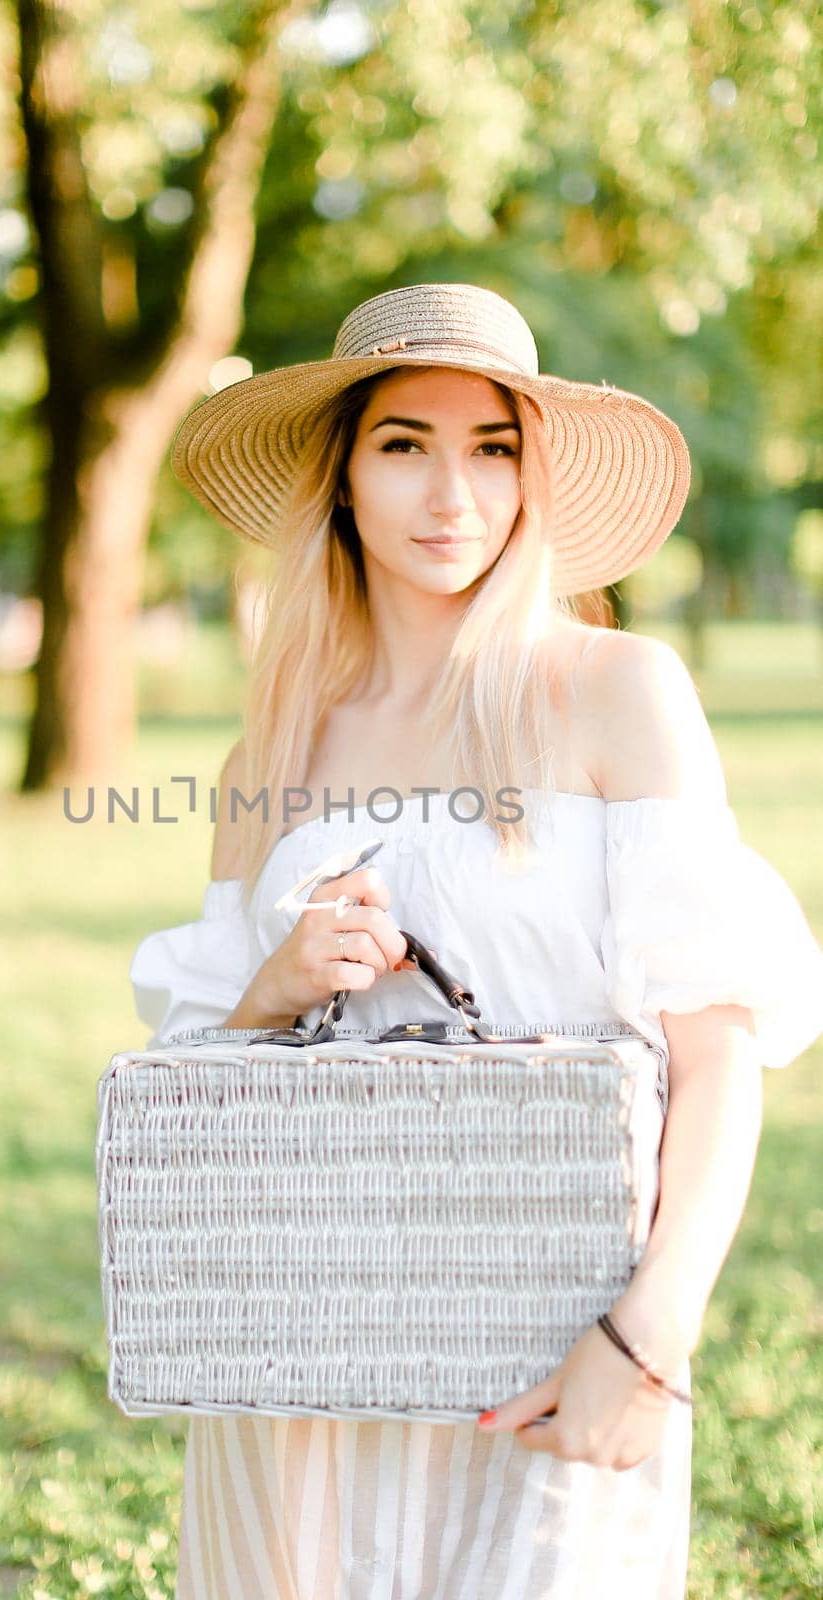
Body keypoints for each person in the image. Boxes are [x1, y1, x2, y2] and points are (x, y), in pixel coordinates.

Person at [128, 283, 823, 1598]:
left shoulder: (619, 694)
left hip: (556, 1336)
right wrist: (273, 984)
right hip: (304, 1355)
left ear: (529, 479)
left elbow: (717, 1049)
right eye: (404, 445)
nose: (454, 493)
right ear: (340, 477)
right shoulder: (274, 748)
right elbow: (201, 1096)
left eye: (492, 448)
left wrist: (651, 1334)